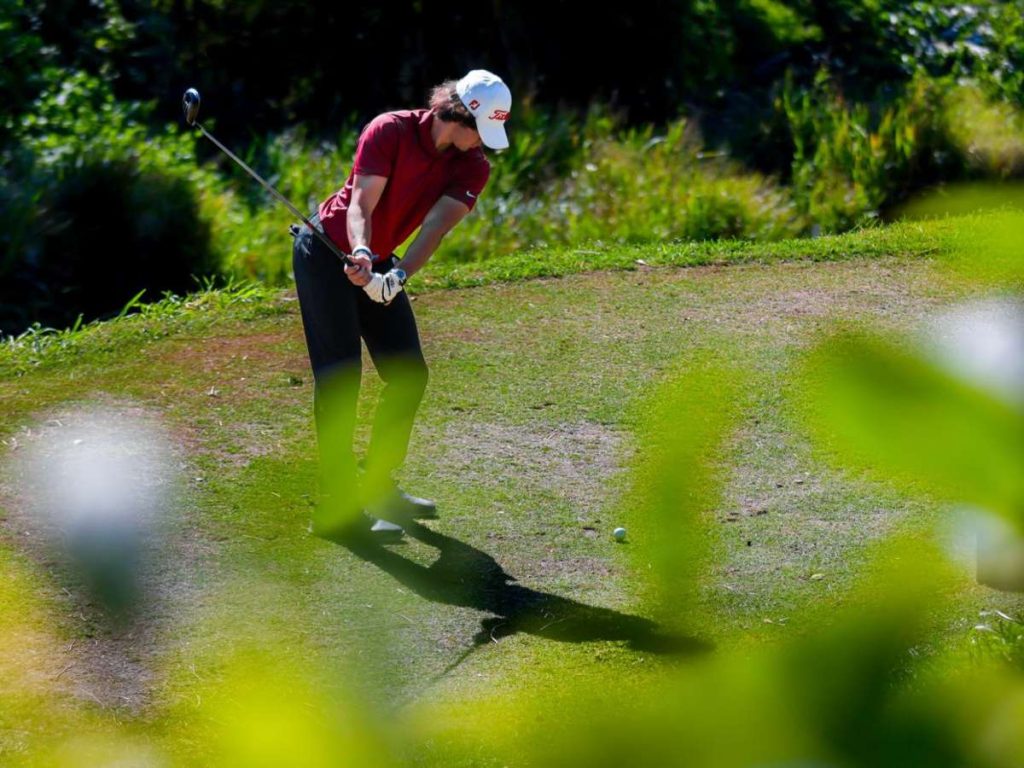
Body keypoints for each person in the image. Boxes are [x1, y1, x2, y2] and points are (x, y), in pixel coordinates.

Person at [292, 69, 512, 539]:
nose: (484, 144)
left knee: (409, 373)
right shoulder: (389, 130)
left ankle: (377, 483)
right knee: (340, 377)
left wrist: (396, 277)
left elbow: (435, 228)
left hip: (381, 261)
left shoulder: (473, 165)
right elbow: (361, 206)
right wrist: (362, 252)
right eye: (481, 132)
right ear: (460, 114)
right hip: (327, 252)